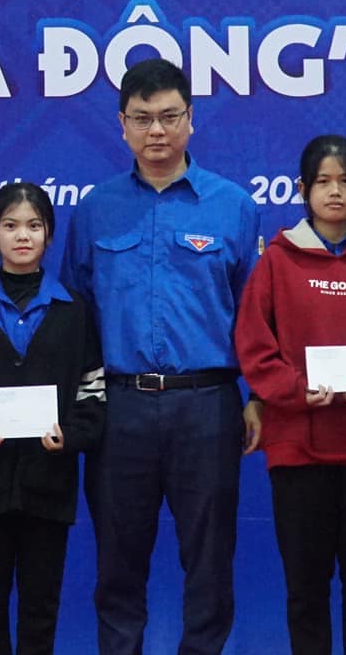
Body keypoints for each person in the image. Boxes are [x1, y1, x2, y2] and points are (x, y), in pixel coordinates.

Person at [59, 57, 262, 655]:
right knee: (118, 564)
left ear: (191, 119)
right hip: (120, 408)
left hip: (207, 405)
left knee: (210, 561)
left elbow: (256, 314)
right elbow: (75, 316)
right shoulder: (95, 209)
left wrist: (257, 397)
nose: (156, 131)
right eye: (142, 118)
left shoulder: (232, 205)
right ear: (122, 124)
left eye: (170, 116)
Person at [235, 134, 346, 655]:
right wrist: (296, 388)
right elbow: (255, 347)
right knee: (305, 590)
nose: (335, 192)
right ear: (303, 189)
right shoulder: (276, 263)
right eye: (323, 181)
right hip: (297, 449)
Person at [0, 181, 105, 655]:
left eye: (34, 226)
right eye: (10, 225)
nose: (23, 236)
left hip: (49, 482)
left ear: (49, 235)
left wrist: (73, 434)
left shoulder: (74, 310)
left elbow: (94, 387)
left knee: (41, 610)